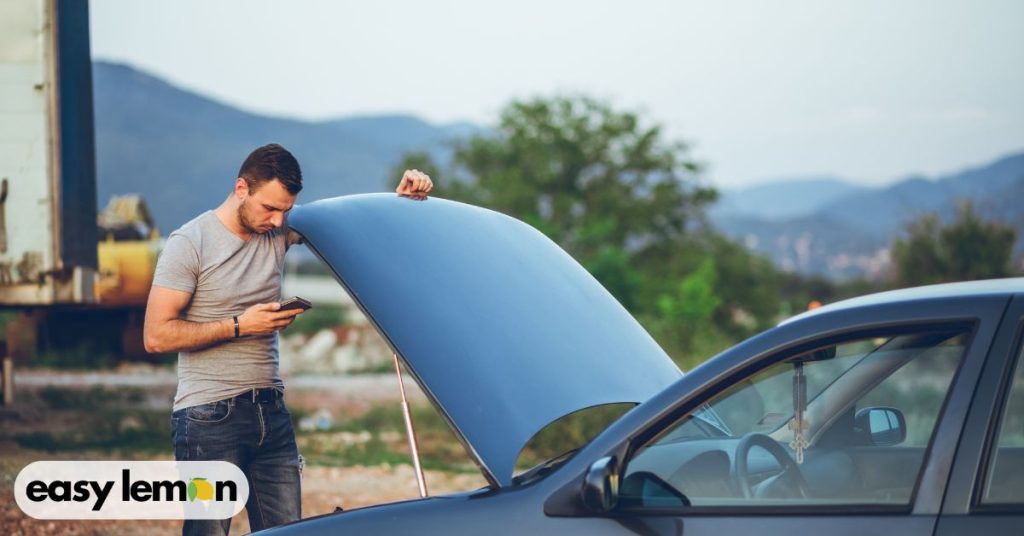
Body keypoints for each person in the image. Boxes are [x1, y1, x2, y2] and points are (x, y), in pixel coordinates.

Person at [143, 143, 432, 535]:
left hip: (271, 412)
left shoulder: (277, 229)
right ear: (241, 188)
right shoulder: (189, 243)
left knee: (288, 532)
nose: (278, 220)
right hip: (208, 419)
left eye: (286, 211)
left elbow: (350, 220)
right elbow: (156, 336)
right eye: (270, 208)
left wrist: (403, 197)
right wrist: (240, 326)